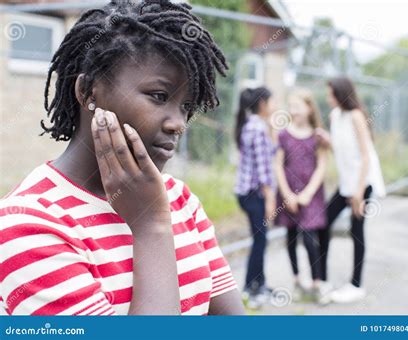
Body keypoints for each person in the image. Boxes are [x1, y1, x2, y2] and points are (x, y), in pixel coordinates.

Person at [0, 0, 245, 316]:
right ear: (89, 91)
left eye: (185, 106)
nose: (178, 123)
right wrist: (150, 226)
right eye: (159, 96)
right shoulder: (28, 225)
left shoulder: (178, 199)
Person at [316, 77, 386, 304]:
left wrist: (358, 193)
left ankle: (356, 285)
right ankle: (323, 280)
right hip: (347, 183)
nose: (328, 99)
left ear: (341, 94)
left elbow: (365, 155)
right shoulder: (335, 116)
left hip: (363, 182)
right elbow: (342, 149)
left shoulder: (356, 116)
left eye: (331, 94)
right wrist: (327, 140)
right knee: (323, 222)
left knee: (357, 230)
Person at [274, 89, 331, 302]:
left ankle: (317, 283)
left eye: (297, 106)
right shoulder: (284, 134)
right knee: (290, 236)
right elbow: (278, 165)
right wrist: (287, 194)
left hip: (311, 197)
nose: (293, 110)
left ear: (309, 108)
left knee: (309, 237)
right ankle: (297, 281)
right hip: (288, 195)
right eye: (290, 106)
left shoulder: (317, 136)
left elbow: (322, 165)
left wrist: (307, 194)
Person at [234, 87, 276, 309]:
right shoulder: (258, 128)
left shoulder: (251, 124)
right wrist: (269, 198)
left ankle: (260, 282)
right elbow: (262, 167)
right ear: (262, 104)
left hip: (246, 192)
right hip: (254, 194)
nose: (274, 106)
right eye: (271, 102)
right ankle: (250, 288)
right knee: (260, 239)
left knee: (261, 237)